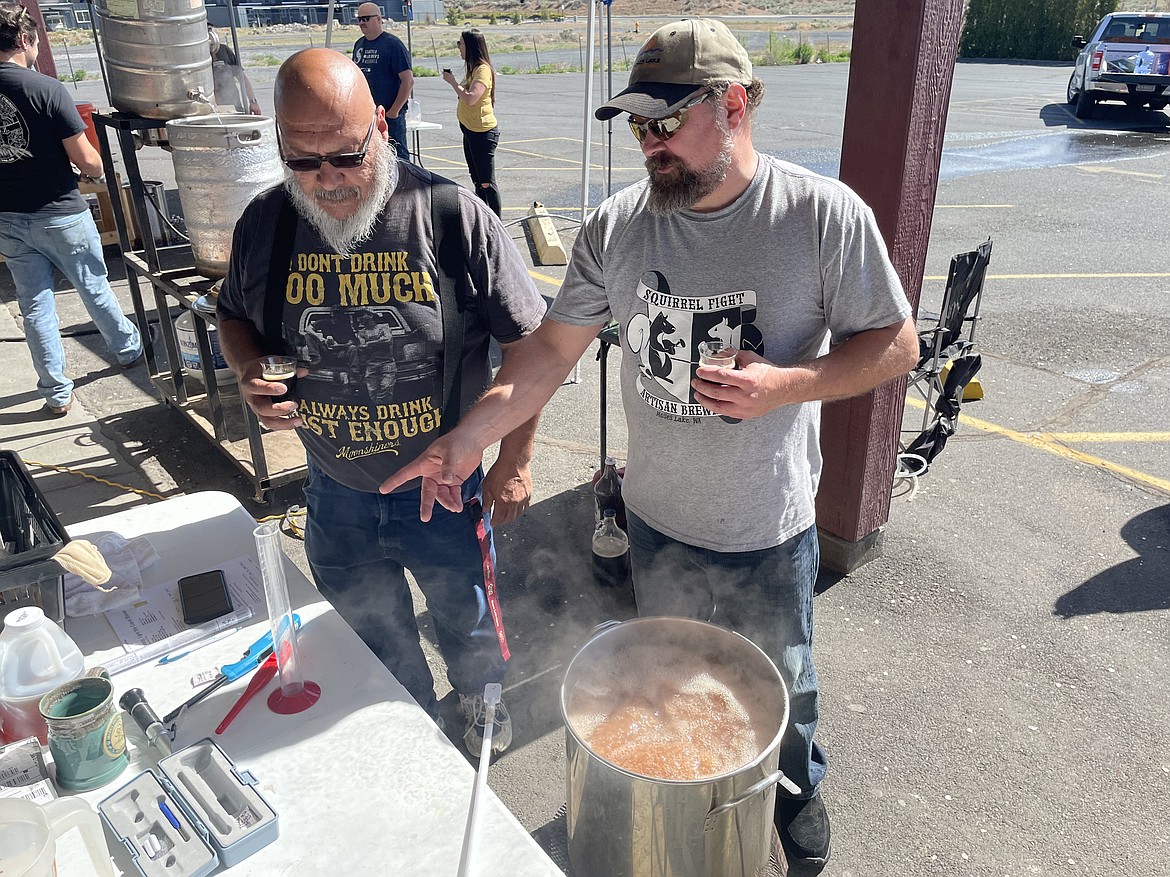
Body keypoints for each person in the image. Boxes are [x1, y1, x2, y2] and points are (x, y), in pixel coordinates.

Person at [383, 18, 918, 875]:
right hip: (658, 518)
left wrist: (787, 384)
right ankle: (685, 807)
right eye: (636, 126)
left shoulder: (820, 216)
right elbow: (550, 352)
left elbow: (895, 345)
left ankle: (795, 790)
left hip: (767, 524)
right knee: (667, 682)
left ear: (734, 104)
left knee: (786, 683)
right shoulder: (619, 226)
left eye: (665, 123)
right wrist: (465, 444)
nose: (648, 144)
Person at [215, 48, 546, 756]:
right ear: (279, 146)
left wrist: (514, 460)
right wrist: (247, 369)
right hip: (334, 491)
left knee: (468, 618)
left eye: (345, 155)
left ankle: (483, 706)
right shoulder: (266, 225)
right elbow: (231, 314)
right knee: (375, 630)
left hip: (446, 491)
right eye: (304, 162)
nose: (327, 180)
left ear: (382, 131)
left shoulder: (452, 218)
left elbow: (530, 347)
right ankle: (412, 725)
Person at [0, 2, 143, 417]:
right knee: (93, 287)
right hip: (60, 212)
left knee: (35, 306)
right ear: (26, 40)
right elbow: (90, 162)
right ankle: (128, 350)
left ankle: (55, 392)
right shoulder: (44, 88)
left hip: (8, 217)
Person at [442, 29, 501, 217]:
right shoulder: (473, 69)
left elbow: (470, 98)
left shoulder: (483, 70)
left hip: (482, 133)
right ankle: (483, 219)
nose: (458, 47)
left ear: (471, 46)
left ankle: (496, 223)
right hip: (470, 131)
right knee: (477, 180)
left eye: (461, 43)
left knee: (486, 182)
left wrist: (452, 82)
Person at [352, 2, 412, 163]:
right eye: (359, 19)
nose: (362, 23)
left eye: (366, 18)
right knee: (372, 158)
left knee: (398, 157)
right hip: (368, 114)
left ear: (378, 19)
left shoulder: (393, 44)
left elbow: (408, 80)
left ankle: (405, 188)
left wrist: (395, 110)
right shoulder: (359, 44)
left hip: (390, 114)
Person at [208, 24, 261, 115]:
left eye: (210, 29)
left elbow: (242, 78)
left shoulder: (224, 51)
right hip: (213, 111)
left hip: (234, 106)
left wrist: (253, 102)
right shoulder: (197, 58)